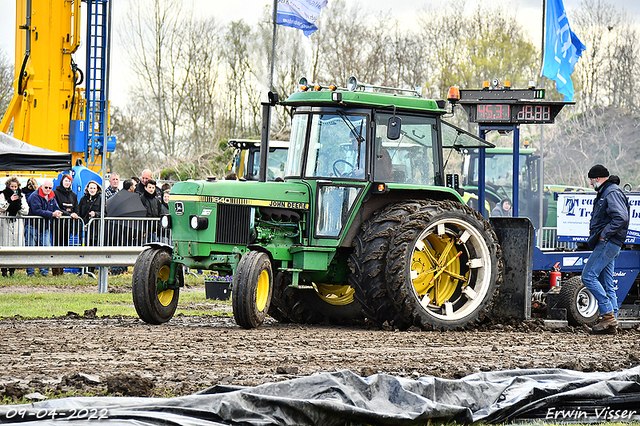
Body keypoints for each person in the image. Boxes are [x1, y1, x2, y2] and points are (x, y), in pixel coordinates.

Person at [582, 165, 630, 334]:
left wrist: (604, 234)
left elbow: (621, 217)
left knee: (588, 276)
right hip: (611, 244)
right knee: (606, 282)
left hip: (608, 243)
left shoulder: (611, 192)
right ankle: (611, 324)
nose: (590, 183)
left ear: (598, 178)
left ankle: (608, 316)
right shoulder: (609, 191)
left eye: (591, 179)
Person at [26, 179, 63, 277]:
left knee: (46, 249)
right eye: (46, 187)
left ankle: (44, 272)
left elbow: (56, 207)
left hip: (45, 227)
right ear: (41, 186)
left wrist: (58, 212)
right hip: (32, 225)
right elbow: (37, 210)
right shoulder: (34, 196)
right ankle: (30, 273)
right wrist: (52, 214)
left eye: (50, 188)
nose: (48, 189)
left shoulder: (52, 196)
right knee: (30, 250)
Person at [0, 177, 29, 277]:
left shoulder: (21, 195)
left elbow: (26, 210)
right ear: (8, 186)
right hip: (5, 222)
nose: (13, 189)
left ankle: (12, 270)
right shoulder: (3, 195)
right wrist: (9, 201)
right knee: (4, 245)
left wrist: (18, 205)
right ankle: (3, 270)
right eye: (12, 186)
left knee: (15, 245)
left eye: (15, 186)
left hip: (17, 223)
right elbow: (1, 207)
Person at [52, 174, 80, 276]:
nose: (67, 183)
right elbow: (57, 207)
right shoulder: (56, 193)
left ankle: (62, 270)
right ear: (62, 182)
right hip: (58, 224)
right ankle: (55, 270)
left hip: (67, 225)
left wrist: (75, 214)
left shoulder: (73, 195)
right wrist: (69, 214)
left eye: (69, 181)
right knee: (57, 247)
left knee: (64, 246)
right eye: (66, 181)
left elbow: (76, 209)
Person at [79, 181, 102, 246]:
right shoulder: (83, 199)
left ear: (97, 189)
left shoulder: (100, 199)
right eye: (91, 188)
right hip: (84, 227)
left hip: (95, 229)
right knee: (84, 245)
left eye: (94, 188)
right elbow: (79, 211)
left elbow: (104, 213)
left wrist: (95, 214)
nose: (92, 190)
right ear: (88, 189)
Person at [139, 178, 162, 242]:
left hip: (155, 230)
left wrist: (158, 228)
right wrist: (143, 230)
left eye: (153, 187)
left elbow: (160, 213)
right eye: (149, 187)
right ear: (145, 188)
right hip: (145, 229)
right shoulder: (141, 199)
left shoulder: (157, 200)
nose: (151, 189)